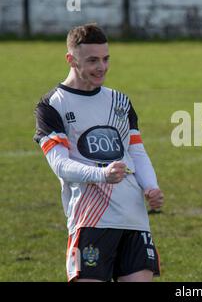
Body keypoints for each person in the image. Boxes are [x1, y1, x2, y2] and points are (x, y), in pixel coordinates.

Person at [33, 23, 164, 282]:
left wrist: (151, 186)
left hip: (134, 219)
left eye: (105, 59)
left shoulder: (120, 101)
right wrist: (102, 174)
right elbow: (60, 164)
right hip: (91, 221)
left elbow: (136, 152)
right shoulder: (53, 105)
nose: (101, 67)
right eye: (92, 60)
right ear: (71, 59)